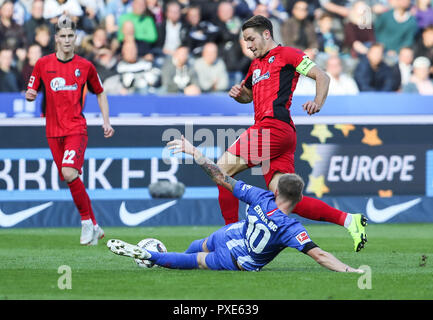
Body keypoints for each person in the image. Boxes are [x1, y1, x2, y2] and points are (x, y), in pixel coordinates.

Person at [107, 136, 365, 273]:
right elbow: (319, 255)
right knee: (194, 262)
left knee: (194, 249)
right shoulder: (290, 228)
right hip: (235, 258)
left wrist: (195, 152)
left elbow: (220, 176)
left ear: (276, 192)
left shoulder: (260, 196)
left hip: (228, 234)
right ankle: (153, 256)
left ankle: (156, 255)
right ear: (298, 200)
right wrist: (349, 270)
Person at [218, 15, 367, 252]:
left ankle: (231, 237)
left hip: (272, 128)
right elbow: (248, 96)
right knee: (284, 198)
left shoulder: (288, 54)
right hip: (281, 134)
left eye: (250, 39)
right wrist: (240, 94)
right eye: (245, 40)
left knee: (221, 171)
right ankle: (349, 220)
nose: (248, 45)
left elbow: (322, 76)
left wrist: (318, 101)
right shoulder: (256, 65)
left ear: (266, 34)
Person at [25, 15, 115, 246]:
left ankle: (86, 222)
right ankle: (95, 226)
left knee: (68, 172)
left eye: (70, 36)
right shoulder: (43, 64)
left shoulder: (85, 67)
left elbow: (100, 92)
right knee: (71, 178)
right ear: (56, 38)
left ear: (75, 38)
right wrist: (30, 94)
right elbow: (31, 88)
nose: (67, 40)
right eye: (63, 36)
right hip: (53, 131)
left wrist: (106, 121)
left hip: (76, 128)